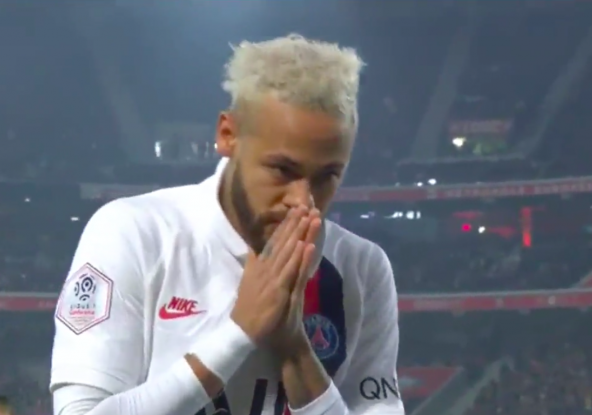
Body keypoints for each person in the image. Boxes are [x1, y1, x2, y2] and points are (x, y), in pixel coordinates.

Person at [50, 34, 403, 415]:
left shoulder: (362, 269)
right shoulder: (134, 234)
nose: (303, 201)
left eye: (328, 176)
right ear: (227, 135)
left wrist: (295, 348)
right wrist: (238, 333)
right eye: (282, 170)